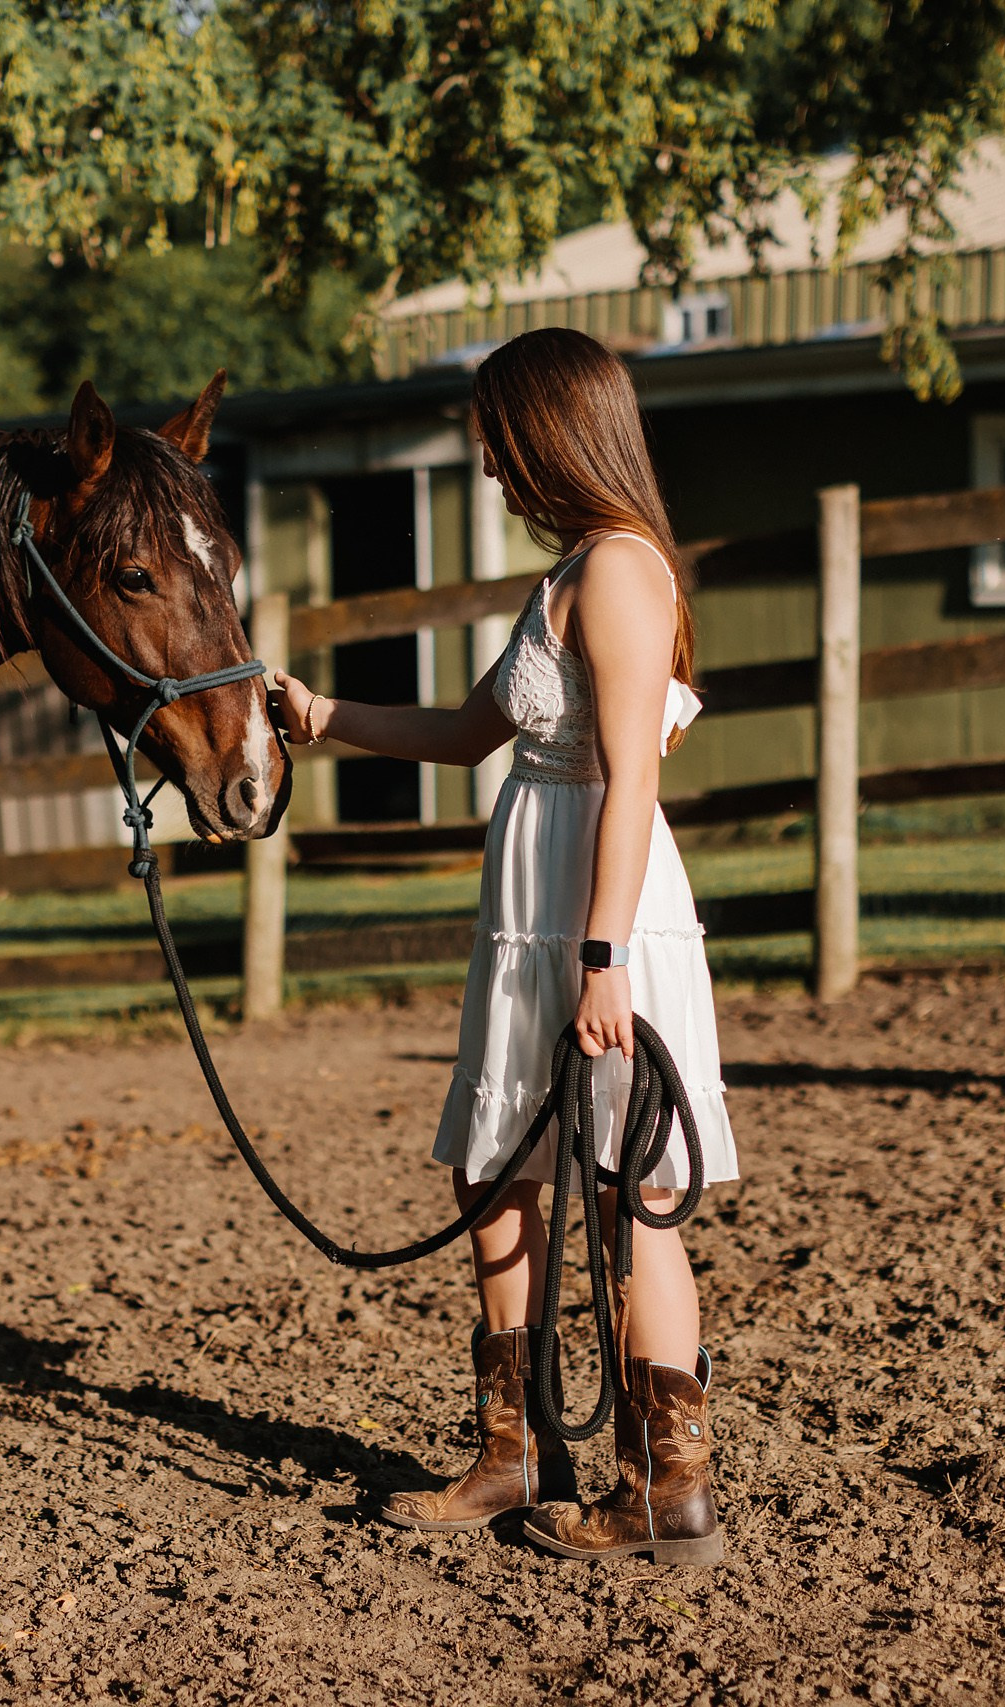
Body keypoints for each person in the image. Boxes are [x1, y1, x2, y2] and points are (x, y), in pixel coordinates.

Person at [268, 327, 737, 1565]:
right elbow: (473, 730)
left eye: (493, 430)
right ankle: (513, 1450)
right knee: (493, 1168)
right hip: (534, 912)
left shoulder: (623, 571)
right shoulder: (571, 573)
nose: (483, 456)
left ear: (548, 428)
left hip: (593, 917)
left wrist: (601, 958)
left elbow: (629, 774)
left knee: (629, 1193)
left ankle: (662, 1485)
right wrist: (322, 717)